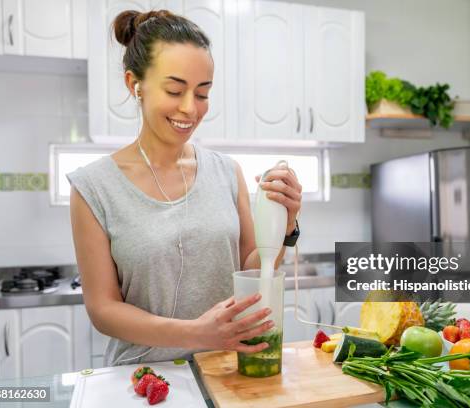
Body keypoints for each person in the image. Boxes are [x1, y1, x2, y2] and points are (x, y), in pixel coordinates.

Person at [67, 10, 302, 366]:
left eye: (203, 93)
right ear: (135, 85)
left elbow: (254, 266)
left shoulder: (226, 171)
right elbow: (103, 310)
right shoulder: (93, 187)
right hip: (143, 378)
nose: (190, 109)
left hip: (225, 370)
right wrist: (196, 332)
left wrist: (284, 228)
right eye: (175, 90)